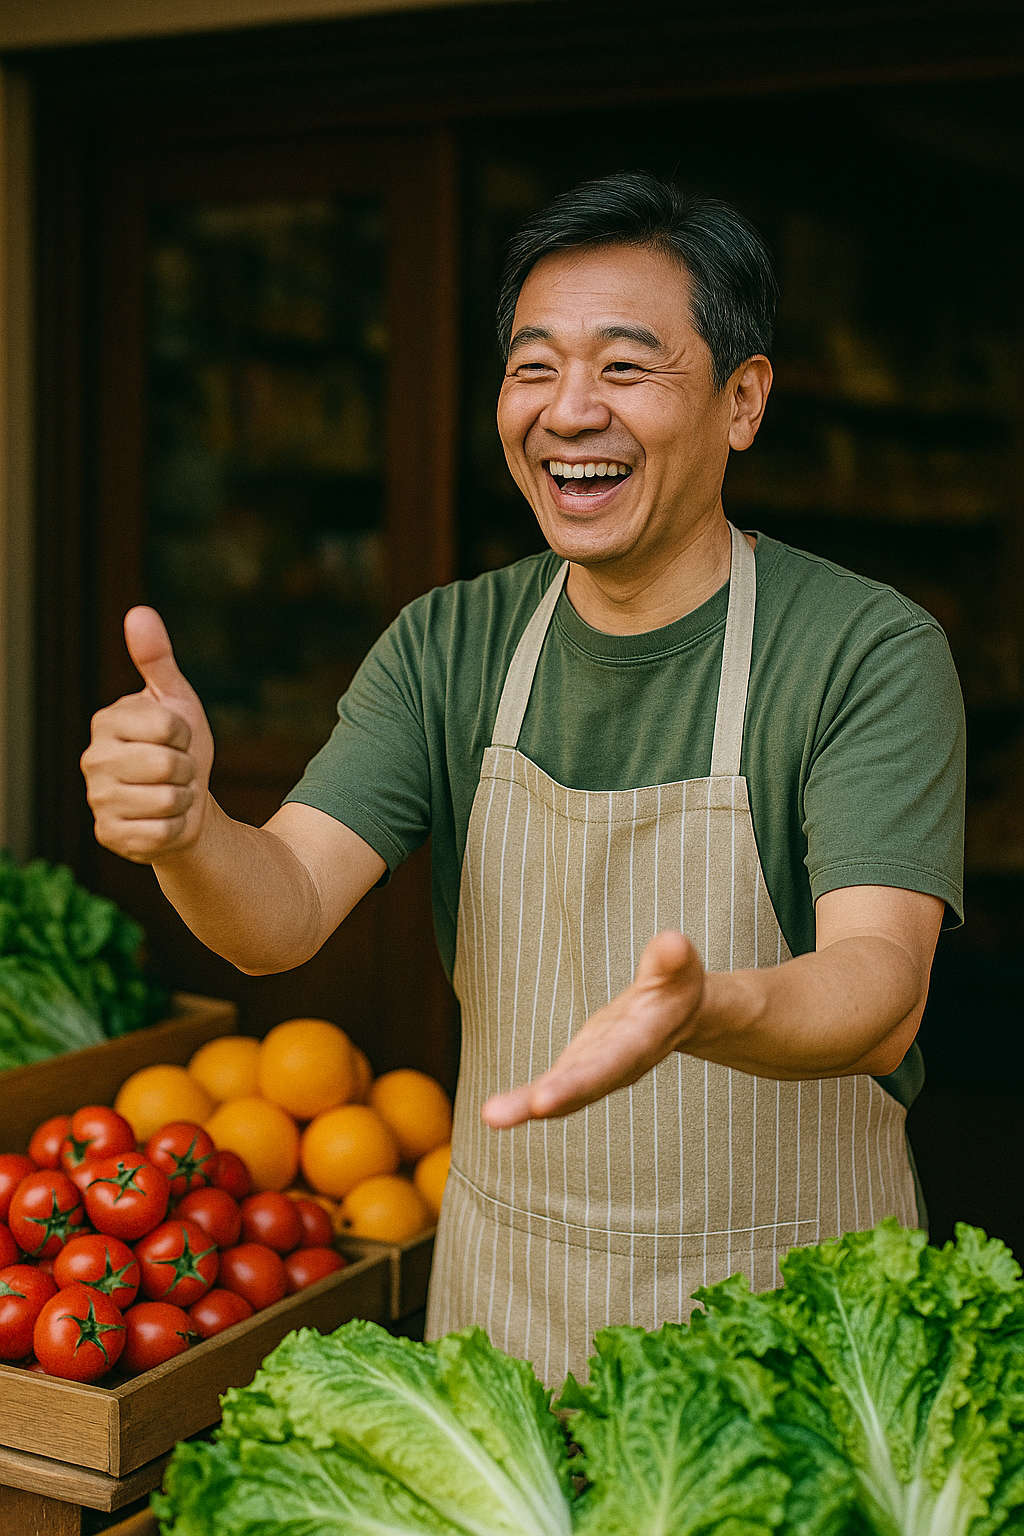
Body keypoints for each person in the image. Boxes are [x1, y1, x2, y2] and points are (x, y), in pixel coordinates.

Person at [82, 172, 965, 1388]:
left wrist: (709, 1012)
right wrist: (186, 829)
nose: (568, 411)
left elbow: (882, 990)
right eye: (533, 366)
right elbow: (278, 912)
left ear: (742, 400)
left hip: (794, 1325)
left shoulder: (861, 650)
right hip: (513, 1310)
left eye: (624, 367)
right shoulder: (450, 645)